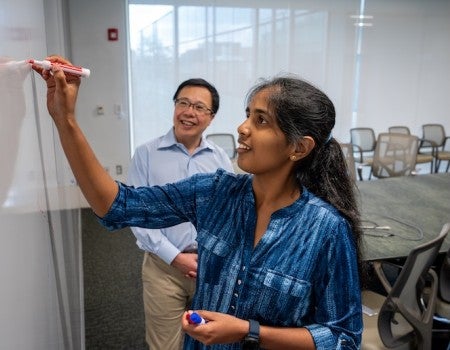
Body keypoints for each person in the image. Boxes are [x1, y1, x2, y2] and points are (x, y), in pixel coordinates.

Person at [34, 56, 364, 350]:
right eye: (248, 115)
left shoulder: (326, 230)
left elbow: (343, 337)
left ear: (299, 147)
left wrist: (250, 332)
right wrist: (66, 120)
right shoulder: (214, 193)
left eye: (261, 121)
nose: (243, 128)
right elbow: (116, 205)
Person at [127, 78, 234, 349]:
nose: (189, 112)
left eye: (199, 107)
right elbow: (138, 215)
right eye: (183, 103)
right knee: (165, 345)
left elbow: (230, 215)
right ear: (175, 107)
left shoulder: (220, 159)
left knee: (210, 340)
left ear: (210, 118)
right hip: (163, 268)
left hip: (210, 268)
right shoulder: (146, 154)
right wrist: (175, 258)